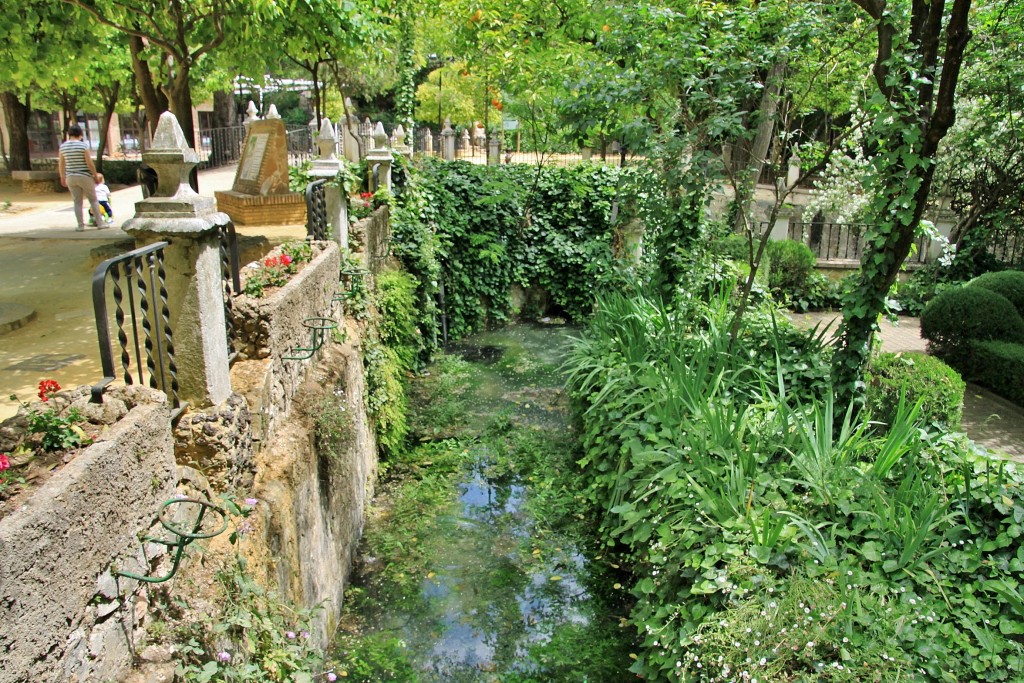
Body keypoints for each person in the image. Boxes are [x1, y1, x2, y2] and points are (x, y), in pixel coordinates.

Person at [58, 124, 107, 232]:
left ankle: (80, 225)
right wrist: (95, 175)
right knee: (93, 200)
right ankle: (100, 223)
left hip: (70, 177)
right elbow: (89, 163)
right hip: (84, 176)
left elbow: (61, 164)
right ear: (80, 134)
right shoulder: (83, 146)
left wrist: (62, 176)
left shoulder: (63, 147)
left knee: (77, 202)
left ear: (69, 134)